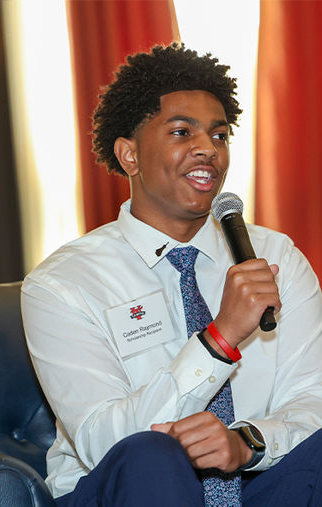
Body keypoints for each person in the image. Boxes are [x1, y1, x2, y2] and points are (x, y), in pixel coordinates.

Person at [22, 43, 322, 505]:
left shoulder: (273, 256)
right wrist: (220, 339)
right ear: (130, 155)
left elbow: (313, 398)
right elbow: (105, 443)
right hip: (125, 487)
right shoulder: (63, 284)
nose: (208, 150)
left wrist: (248, 443)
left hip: (258, 483)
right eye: (182, 132)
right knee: (152, 455)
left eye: (219, 136)